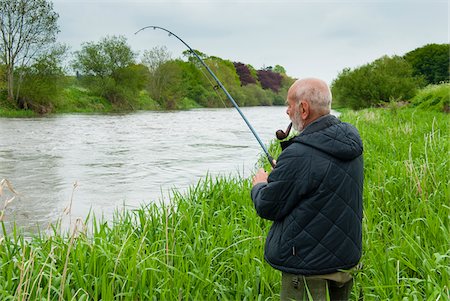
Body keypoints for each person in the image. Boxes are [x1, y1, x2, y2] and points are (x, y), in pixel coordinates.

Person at [251, 78, 364, 300]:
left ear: (303, 109)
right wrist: (286, 171)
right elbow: (319, 179)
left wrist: (260, 184)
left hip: (308, 267)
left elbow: (267, 206)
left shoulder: (299, 154)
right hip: (345, 262)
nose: (287, 111)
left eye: (289, 105)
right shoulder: (350, 139)